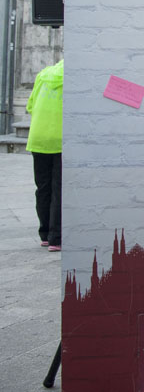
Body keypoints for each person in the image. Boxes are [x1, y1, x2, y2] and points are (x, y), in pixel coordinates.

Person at [26, 58, 64, 251]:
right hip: (60, 139)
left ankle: (44, 235)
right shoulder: (75, 77)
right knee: (59, 189)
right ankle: (56, 238)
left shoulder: (43, 74)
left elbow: (30, 106)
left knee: (43, 187)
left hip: (38, 138)